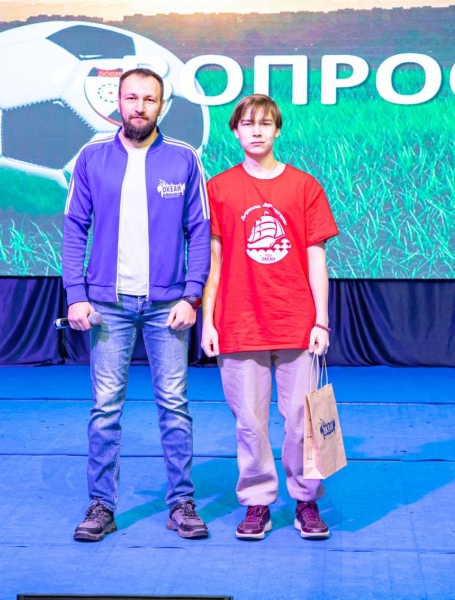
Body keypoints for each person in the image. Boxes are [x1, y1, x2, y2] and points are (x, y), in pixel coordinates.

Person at [62, 68, 211, 542]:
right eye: (131, 97)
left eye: (149, 99)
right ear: (118, 102)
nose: (140, 106)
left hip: (168, 307)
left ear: (161, 106)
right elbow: (74, 229)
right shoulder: (91, 157)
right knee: (105, 408)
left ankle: (181, 504)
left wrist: (191, 295)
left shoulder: (184, 158)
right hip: (108, 306)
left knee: (175, 406)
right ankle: (101, 506)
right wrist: (76, 295)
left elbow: (200, 232)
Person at [201, 94, 339, 541]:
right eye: (247, 123)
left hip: (296, 322)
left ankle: (306, 501)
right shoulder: (219, 188)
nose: (256, 130)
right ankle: (257, 502)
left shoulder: (305, 186)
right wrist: (209, 320)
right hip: (239, 323)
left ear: (278, 130)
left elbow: (316, 258)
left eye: (265, 123)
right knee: (250, 423)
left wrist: (321, 320)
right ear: (235, 131)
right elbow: (214, 262)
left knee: (305, 420)